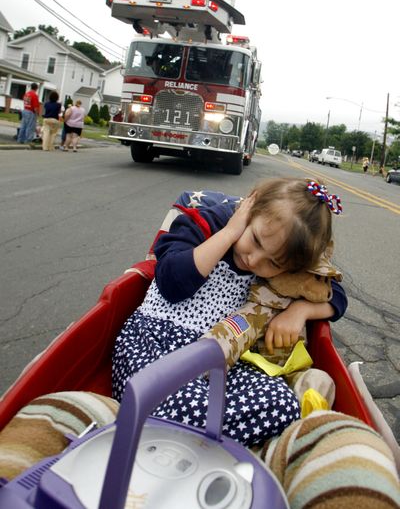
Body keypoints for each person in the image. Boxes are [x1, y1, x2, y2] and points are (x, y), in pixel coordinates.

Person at [112, 178, 348, 447]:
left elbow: (336, 296)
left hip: (221, 362)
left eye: (274, 263)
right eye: (255, 240)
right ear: (251, 206)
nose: (253, 260)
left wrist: (299, 311)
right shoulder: (202, 223)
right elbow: (171, 283)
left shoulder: (287, 254)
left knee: (283, 403)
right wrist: (228, 234)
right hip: (156, 341)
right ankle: (202, 437)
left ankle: (188, 435)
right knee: (187, 404)